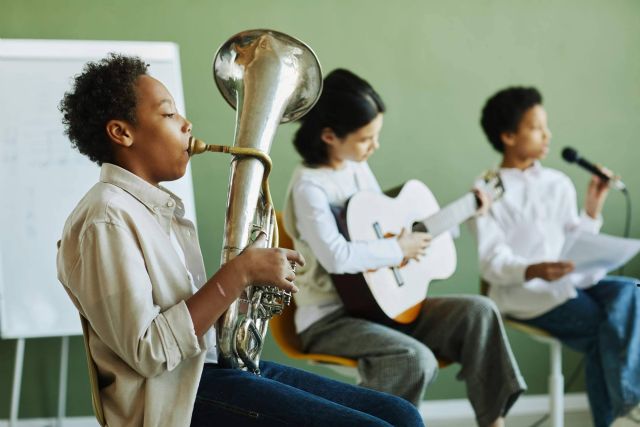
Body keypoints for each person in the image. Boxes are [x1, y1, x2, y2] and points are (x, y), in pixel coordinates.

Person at [56, 54, 425, 427]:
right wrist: (239, 274)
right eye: (169, 115)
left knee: (402, 414)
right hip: (174, 399)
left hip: (207, 370)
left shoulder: (151, 209)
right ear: (122, 132)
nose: (187, 125)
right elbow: (148, 351)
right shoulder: (106, 218)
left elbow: (190, 324)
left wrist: (243, 297)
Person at [282, 68, 526, 427]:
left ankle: (494, 422)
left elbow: (384, 224)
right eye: (366, 139)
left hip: (384, 308)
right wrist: (399, 250)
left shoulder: (355, 168)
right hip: (331, 318)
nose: (374, 147)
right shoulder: (309, 188)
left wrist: (455, 218)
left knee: (480, 312)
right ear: (329, 136)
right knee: (415, 358)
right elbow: (338, 255)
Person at [471, 86, 640, 427]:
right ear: (507, 136)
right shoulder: (487, 190)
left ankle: (623, 409)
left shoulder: (557, 182)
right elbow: (491, 261)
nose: (548, 135)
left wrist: (593, 207)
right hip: (526, 294)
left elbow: (577, 244)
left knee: (631, 290)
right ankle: (628, 406)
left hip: (571, 283)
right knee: (605, 327)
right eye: (536, 128)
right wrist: (533, 269)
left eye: (546, 126)